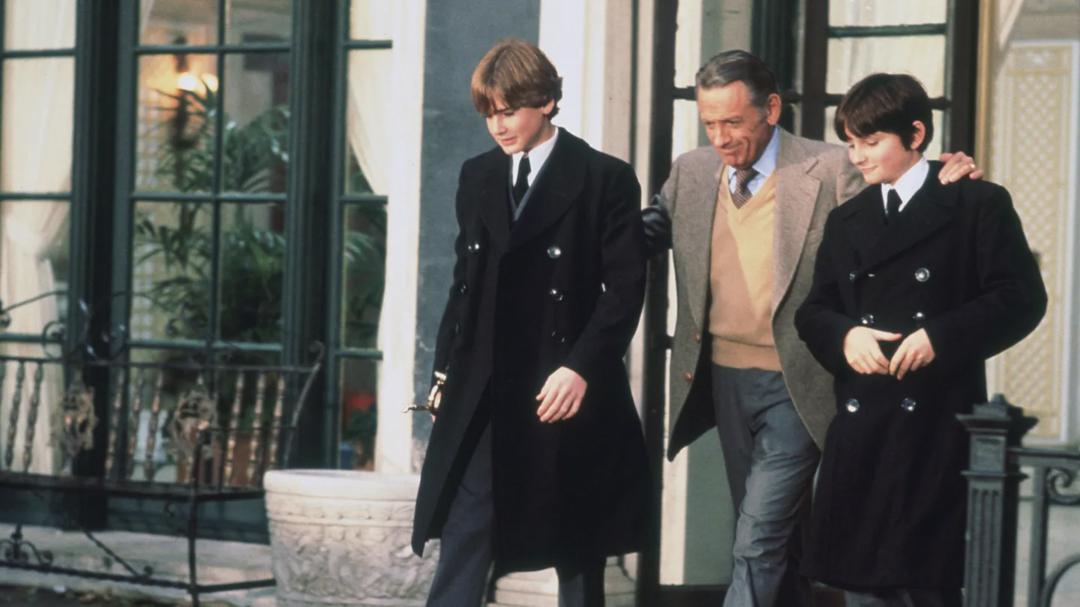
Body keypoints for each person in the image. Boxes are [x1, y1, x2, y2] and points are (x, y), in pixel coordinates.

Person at [642, 50, 982, 606]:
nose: (720, 137)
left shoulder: (831, 166)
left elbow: (899, 213)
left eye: (733, 122)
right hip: (724, 379)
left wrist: (949, 178)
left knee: (757, 537)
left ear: (771, 109)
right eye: (709, 123)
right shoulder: (692, 171)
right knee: (779, 540)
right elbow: (643, 233)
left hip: (799, 380)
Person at [411, 38, 650, 607]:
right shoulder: (477, 176)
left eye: (509, 110)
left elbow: (624, 290)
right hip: (484, 385)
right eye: (489, 113)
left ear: (545, 101)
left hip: (560, 383)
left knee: (577, 538)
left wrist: (581, 368)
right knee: (466, 526)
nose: (498, 126)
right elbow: (463, 286)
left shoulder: (603, 177)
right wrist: (443, 375)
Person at [794, 72, 1046, 606]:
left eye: (870, 142)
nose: (858, 157)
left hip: (936, 425)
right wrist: (845, 337)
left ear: (915, 134)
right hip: (863, 427)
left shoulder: (977, 203)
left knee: (928, 587)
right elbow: (813, 311)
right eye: (851, 144)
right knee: (862, 588)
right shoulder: (847, 219)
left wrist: (940, 336)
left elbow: (1021, 298)